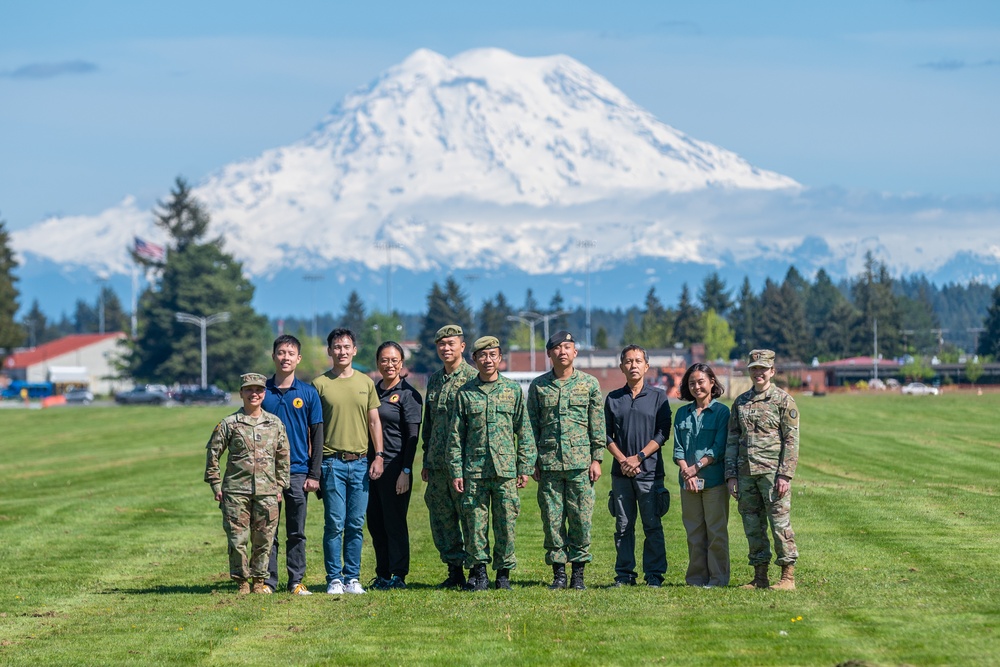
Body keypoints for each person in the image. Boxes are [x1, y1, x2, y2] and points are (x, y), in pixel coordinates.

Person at [447, 336, 536, 591]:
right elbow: (456, 437)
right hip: (474, 471)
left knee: (506, 522)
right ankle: (479, 572)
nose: (488, 360)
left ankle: (504, 573)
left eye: (493, 355)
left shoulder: (513, 391)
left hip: (505, 471)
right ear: (474, 360)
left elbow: (524, 431)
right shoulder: (465, 394)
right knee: (476, 523)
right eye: (482, 356)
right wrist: (456, 470)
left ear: (500, 358)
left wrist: (525, 467)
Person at [527, 331, 605, 590]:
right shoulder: (538, 386)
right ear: (549, 354)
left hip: (580, 465)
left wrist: (597, 459)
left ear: (575, 352)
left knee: (581, 519)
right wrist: (532, 461)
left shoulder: (589, 384)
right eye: (557, 348)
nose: (562, 351)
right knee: (552, 520)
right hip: (548, 464)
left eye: (567, 347)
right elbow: (531, 427)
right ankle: (559, 575)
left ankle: (578, 575)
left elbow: (597, 424)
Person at [312, 328, 385, 595]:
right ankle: (334, 578)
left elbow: (374, 421)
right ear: (329, 351)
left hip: (361, 463)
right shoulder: (319, 385)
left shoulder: (366, 383)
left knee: (355, 523)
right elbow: (313, 427)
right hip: (332, 464)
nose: (342, 351)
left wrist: (379, 455)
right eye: (337, 347)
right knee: (335, 523)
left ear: (354, 350)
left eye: (346, 346)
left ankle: (352, 577)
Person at [204, 373, 290, 594]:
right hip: (236, 492)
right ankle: (242, 582)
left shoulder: (274, 423)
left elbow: (283, 456)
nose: (254, 394)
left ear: (264, 393)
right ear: (241, 393)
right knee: (237, 539)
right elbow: (213, 455)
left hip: (267, 492)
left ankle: (260, 581)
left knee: (264, 539)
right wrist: (216, 486)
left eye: (259, 390)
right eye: (249, 390)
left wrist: (280, 486)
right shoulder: (229, 424)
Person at [726, 349, 800, 591]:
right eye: (754, 368)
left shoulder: (783, 400)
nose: (758, 372)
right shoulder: (740, 402)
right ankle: (760, 577)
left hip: (772, 474)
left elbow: (791, 440)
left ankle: (787, 577)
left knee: (780, 524)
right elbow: (732, 440)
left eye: (763, 369)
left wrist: (785, 474)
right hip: (746, 473)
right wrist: (731, 475)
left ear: (772, 371)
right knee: (752, 525)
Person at [605, 345, 672, 587]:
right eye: (628, 361)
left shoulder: (658, 397)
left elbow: (663, 432)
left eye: (638, 361)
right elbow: (605, 434)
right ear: (621, 366)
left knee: (652, 525)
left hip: (650, 473)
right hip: (621, 474)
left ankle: (654, 575)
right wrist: (624, 460)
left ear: (646, 366)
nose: (633, 365)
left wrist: (639, 457)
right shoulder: (613, 398)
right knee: (623, 527)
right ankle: (624, 575)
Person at [263, 334, 324, 596]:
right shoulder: (261, 392)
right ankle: (267, 582)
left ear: (298, 358)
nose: (285, 357)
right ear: (274, 356)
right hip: (266, 474)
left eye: (290, 353)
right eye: (281, 352)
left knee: (296, 531)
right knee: (268, 531)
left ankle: (296, 581)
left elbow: (318, 435)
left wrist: (314, 474)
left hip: (298, 472)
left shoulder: (308, 393)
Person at [421, 324, 478, 588]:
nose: (446, 348)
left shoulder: (473, 379)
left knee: (470, 516)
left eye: (451, 343)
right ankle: (454, 570)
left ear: (462, 347)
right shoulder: (434, 380)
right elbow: (429, 425)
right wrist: (426, 460)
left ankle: (477, 569)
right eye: (441, 344)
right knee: (442, 519)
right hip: (437, 463)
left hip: (465, 464)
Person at [367, 341, 423, 590]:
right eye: (384, 360)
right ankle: (382, 573)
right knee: (375, 523)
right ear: (377, 362)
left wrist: (406, 471)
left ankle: (398, 574)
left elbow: (412, 438)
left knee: (394, 522)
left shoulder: (409, 395)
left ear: (401, 363)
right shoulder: (371, 392)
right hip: (369, 468)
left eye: (394, 360)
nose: (389, 364)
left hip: (395, 468)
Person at [673, 363, 731, 588]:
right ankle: (696, 579)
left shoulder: (721, 412)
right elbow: (678, 448)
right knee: (694, 533)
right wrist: (687, 473)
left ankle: (718, 579)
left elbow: (718, 448)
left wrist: (695, 467)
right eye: (691, 383)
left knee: (716, 532)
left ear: (712, 382)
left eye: (700, 382)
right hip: (688, 483)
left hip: (714, 481)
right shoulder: (682, 413)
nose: (696, 387)